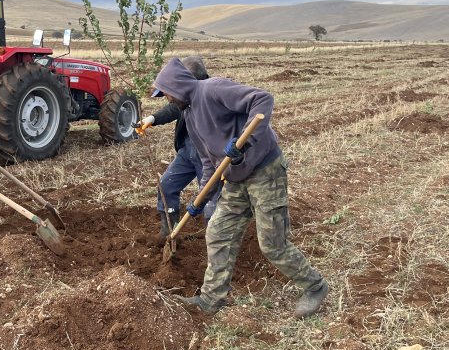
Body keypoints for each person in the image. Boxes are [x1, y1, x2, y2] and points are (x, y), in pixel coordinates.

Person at [152, 57, 328, 318]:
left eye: (165, 93)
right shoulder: (188, 115)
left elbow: (262, 99)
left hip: (264, 172)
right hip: (235, 180)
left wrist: (244, 141)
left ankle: (315, 287)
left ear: (176, 85)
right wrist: (202, 197)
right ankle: (212, 299)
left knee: (272, 243)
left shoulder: (212, 89)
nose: (166, 99)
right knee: (218, 233)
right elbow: (208, 162)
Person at [136, 55, 220, 240]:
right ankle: (169, 231)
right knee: (166, 186)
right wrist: (152, 119)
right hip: (187, 152)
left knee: (210, 200)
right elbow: (174, 108)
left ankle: (213, 242)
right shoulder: (185, 98)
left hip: (208, 156)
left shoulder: (211, 96)